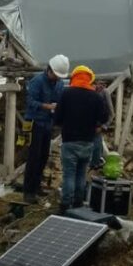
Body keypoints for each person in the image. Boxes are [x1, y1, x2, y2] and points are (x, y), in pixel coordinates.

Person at [54, 66, 109, 214]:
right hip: (87, 141)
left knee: (69, 174)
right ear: (89, 78)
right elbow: (104, 117)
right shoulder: (96, 97)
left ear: (74, 77)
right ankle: (78, 203)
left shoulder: (66, 94)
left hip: (69, 141)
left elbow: (57, 118)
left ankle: (65, 205)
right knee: (81, 173)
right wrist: (97, 127)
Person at [23, 54, 70, 203]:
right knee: (33, 157)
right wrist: (46, 106)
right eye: (55, 75)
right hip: (34, 122)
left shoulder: (60, 84)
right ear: (49, 70)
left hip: (48, 123)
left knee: (43, 156)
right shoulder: (37, 81)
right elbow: (30, 101)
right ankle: (28, 191)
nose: (57, 78)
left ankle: (36, 186)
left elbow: (61, 99)